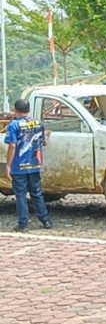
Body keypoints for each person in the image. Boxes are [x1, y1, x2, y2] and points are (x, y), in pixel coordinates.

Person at [4, 99, 52, 232]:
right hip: (35, 165)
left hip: (19, 167)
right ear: (29, 110)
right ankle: (46, 220)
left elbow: (12, 145)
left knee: (21, 196)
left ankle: (23, 224)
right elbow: (44, 143)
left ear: (15, 110)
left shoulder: (14, 125)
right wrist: (48, 135)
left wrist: (8, 166)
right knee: (37, 193)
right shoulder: (38, 124)